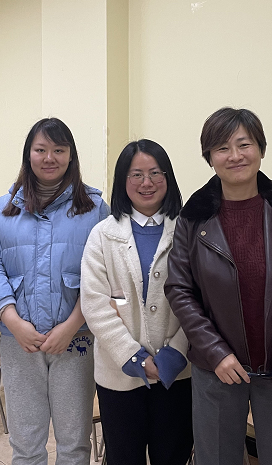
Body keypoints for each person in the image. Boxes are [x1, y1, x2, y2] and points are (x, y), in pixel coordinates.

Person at [165, 108, 272, 465]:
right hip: (217, 367)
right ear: (209, 157)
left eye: (244, 144)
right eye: (222, 148)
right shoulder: (193, 217)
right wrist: (215, 352)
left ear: (261, 149)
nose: (235, 156)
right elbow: (179, 289)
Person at [0, 117, 109, 465]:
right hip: (19, 341)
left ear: (71, 155)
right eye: (41, 150)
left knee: (74, 442)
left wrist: (71, 325)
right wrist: (12, 321)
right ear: (28, 154)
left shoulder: (95, 209)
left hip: (77, 339)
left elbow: (104, 275)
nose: (50, 158)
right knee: (26, 444)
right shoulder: (1, 210)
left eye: (59, 150)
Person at [81, 140, 193, 465]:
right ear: (122, 180)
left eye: (155, 173)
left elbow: (200, 301)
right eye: (136, 174)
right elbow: (95, 305)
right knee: (123, 457)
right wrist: (134, 357)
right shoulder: (102, 235)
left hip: (179, 374)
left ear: (168, 177)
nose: (147, 182)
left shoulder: (189, 231)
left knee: (172, 456)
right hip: (119, 376)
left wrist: (177, 351)